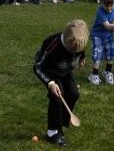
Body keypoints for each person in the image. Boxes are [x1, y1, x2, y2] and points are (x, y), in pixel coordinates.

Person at [33, 19, 88, 147]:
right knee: (57, 97)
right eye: (72, 49)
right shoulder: (52, 44)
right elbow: (37, 67)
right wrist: (50, 83)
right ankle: (52, 132)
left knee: (74, 94)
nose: (75, 52)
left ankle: (60, 127)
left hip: (65, 72)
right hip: (50, 72)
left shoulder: (79, 42)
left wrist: (82, 59)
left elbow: (81, 50)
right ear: (67, 42)